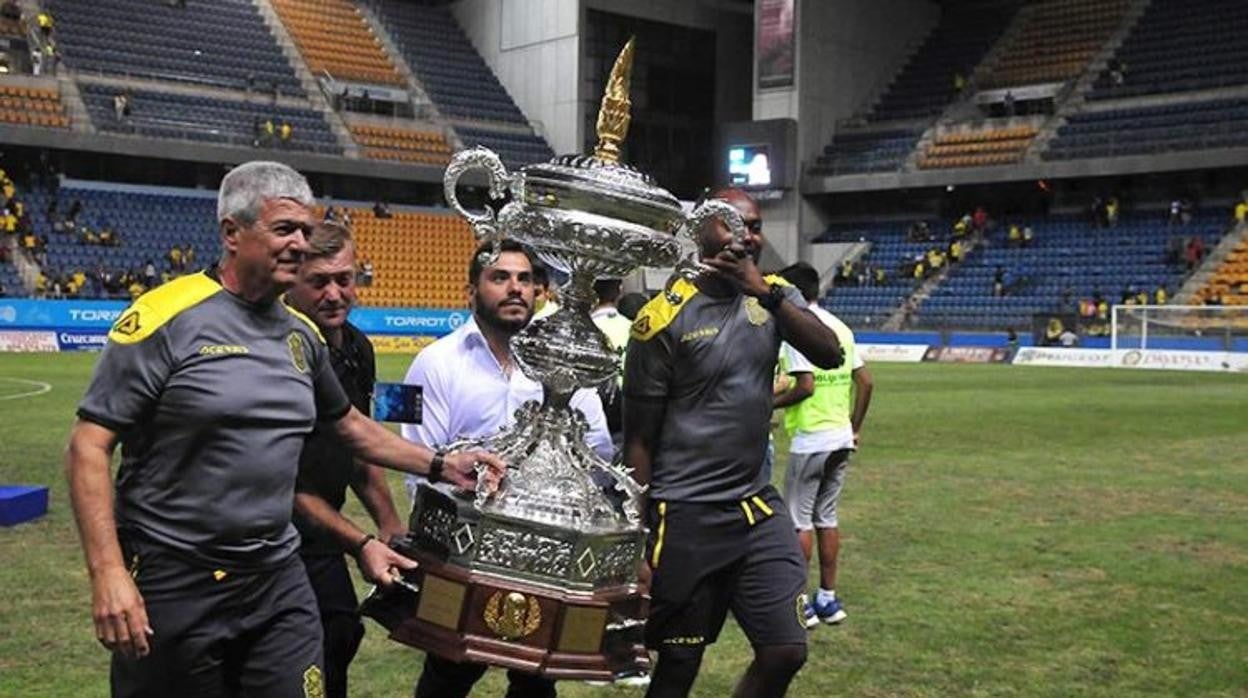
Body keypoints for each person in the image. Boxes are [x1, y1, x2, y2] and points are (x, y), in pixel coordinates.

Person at [63, 161, 504, 698]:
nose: (299, 243)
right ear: (232, 232)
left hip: (277, 577)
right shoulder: (163, 319)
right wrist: (107, 572)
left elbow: (349, 427)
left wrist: (440, 463)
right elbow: (89, 444)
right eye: (284, 229)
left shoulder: (301, 335)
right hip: (176, 578)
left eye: (305, 230)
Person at [623, 188, 844, 698]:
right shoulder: (661, 319)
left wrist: (762, 290)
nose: (747, 236)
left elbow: (829, 354)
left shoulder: (775, 296)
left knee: (785, 650)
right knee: (679, 661)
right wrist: (637, 537)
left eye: (755, 225)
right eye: (732, 224)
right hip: (686, 514)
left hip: (756, 510)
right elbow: (638, 441)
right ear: (700, 231)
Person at [402, 239, 612, 698]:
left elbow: (598, 451)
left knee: (537, 680)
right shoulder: (432, 364)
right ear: (471, 291)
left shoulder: (566, 367)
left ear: (540, 291)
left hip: (546, 555)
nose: (515, 288)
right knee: (447, 673)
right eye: (499, 277)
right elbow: (417, 465)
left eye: (525, 279)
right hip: (462, 554)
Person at [286, 220, 407, 698]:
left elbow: (361, 446)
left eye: (344, 278)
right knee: (302, 643)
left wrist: (390, 524)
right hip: (271, 534)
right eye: (318, 282)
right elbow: (284, 485)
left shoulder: (358, 347)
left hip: (321, 528)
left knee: (341, 631)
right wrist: (360, 543)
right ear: (292, 282)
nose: (334, 294)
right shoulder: (281, 353)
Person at [772, 262, 873, 627]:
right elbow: (866, 382)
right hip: (841, 436)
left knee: (799, 522)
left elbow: (805, 387)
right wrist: (854, 426)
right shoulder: (840, 327)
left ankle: (802, 606)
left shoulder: (797, 328)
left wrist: (765, 405)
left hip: (812, 438)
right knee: (826, 518)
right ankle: (828, 599)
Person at [592, 277, 632, 444]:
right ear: (619, 291)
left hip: (593, 408)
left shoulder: (588, 328)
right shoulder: (632, 327)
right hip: (626, 408)